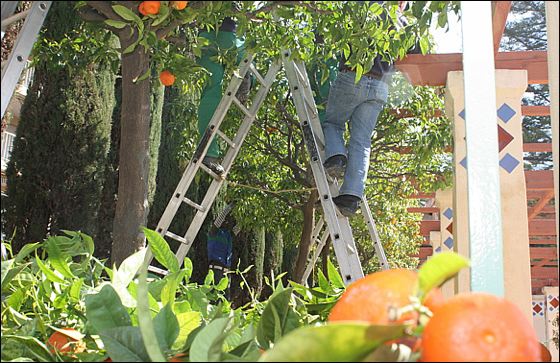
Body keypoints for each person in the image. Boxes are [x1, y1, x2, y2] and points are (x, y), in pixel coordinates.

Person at [321, 1, 415, 217]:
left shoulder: (363, 7)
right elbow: (414, 51)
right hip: (380, 86)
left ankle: (336, 156)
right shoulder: (401, 22)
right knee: (361, 142)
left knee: (332, 123)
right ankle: (351, 197)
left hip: (352, 77)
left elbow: (336, 29)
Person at [197, 15, 250, 175]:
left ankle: (209, 154)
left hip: (205, 35)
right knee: (243, 61)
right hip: (229, 31)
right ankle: (246, 78)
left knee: (210, 92)